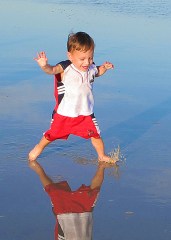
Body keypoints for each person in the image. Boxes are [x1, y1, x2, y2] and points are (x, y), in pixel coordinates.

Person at [29, 31, 115, 162]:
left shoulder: (91, 68)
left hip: (86, 113)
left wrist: (105, 67)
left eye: (90, 58)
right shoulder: (65, 68)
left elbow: (98, 71)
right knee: (52, 135)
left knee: (96, 134)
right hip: (65, 113)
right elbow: (51, 70)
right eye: (82, 59)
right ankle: (39, 147)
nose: (86, 62)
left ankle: (101, 155)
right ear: (70, 56)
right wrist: (44, 65)